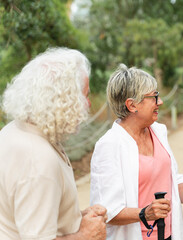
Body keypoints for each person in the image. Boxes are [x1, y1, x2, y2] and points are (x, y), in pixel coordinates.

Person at [90, 64, 183, 240]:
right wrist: (145, 213)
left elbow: (173, 181)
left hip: (170, 235)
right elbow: (106, 211)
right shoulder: (109, 145)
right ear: (132, 105)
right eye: (154, 97)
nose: (160, 102)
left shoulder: (159, 132)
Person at [0, 48, 107, 239]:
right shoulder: (39, 160)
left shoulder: (14, 131)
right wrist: (85, 235)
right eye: (85, 96)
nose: (89, 104)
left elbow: (26, 213)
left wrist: (76, 217)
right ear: (65, 100)